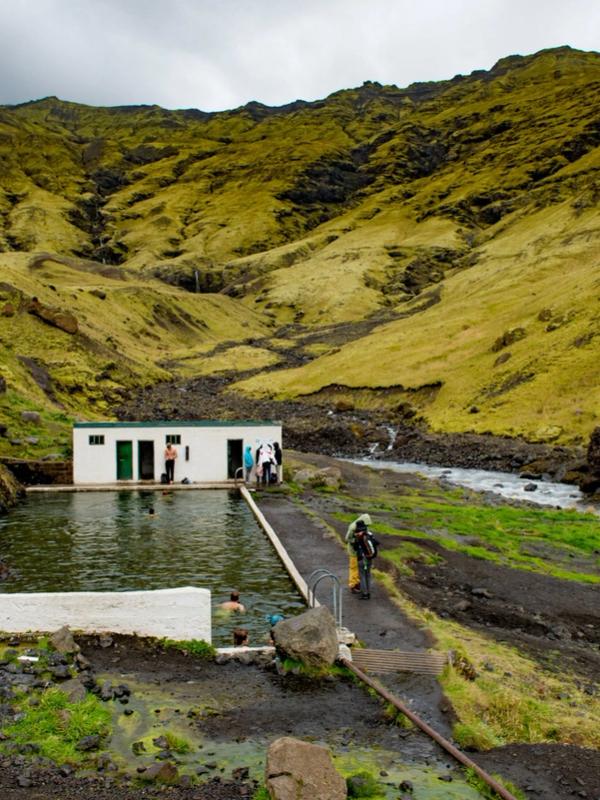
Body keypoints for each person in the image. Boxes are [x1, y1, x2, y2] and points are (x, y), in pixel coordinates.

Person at [345, 514, 372, 594]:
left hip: (360, 552)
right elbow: (347, 538)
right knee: (353, 568)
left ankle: (358, 582)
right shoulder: (353, 527)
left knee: (359, 568)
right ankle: (353, 585)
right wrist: (356, 541)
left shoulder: (363, 525)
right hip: (353, 551)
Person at [354, 519, 379, 600]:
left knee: (362, 576)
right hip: (369, 558)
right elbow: (377, 542)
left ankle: (364, 594)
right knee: (368, 575)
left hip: (362, 559)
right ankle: (368, 593)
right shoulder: (369, 534)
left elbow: (355, 548)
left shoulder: (359, 537)